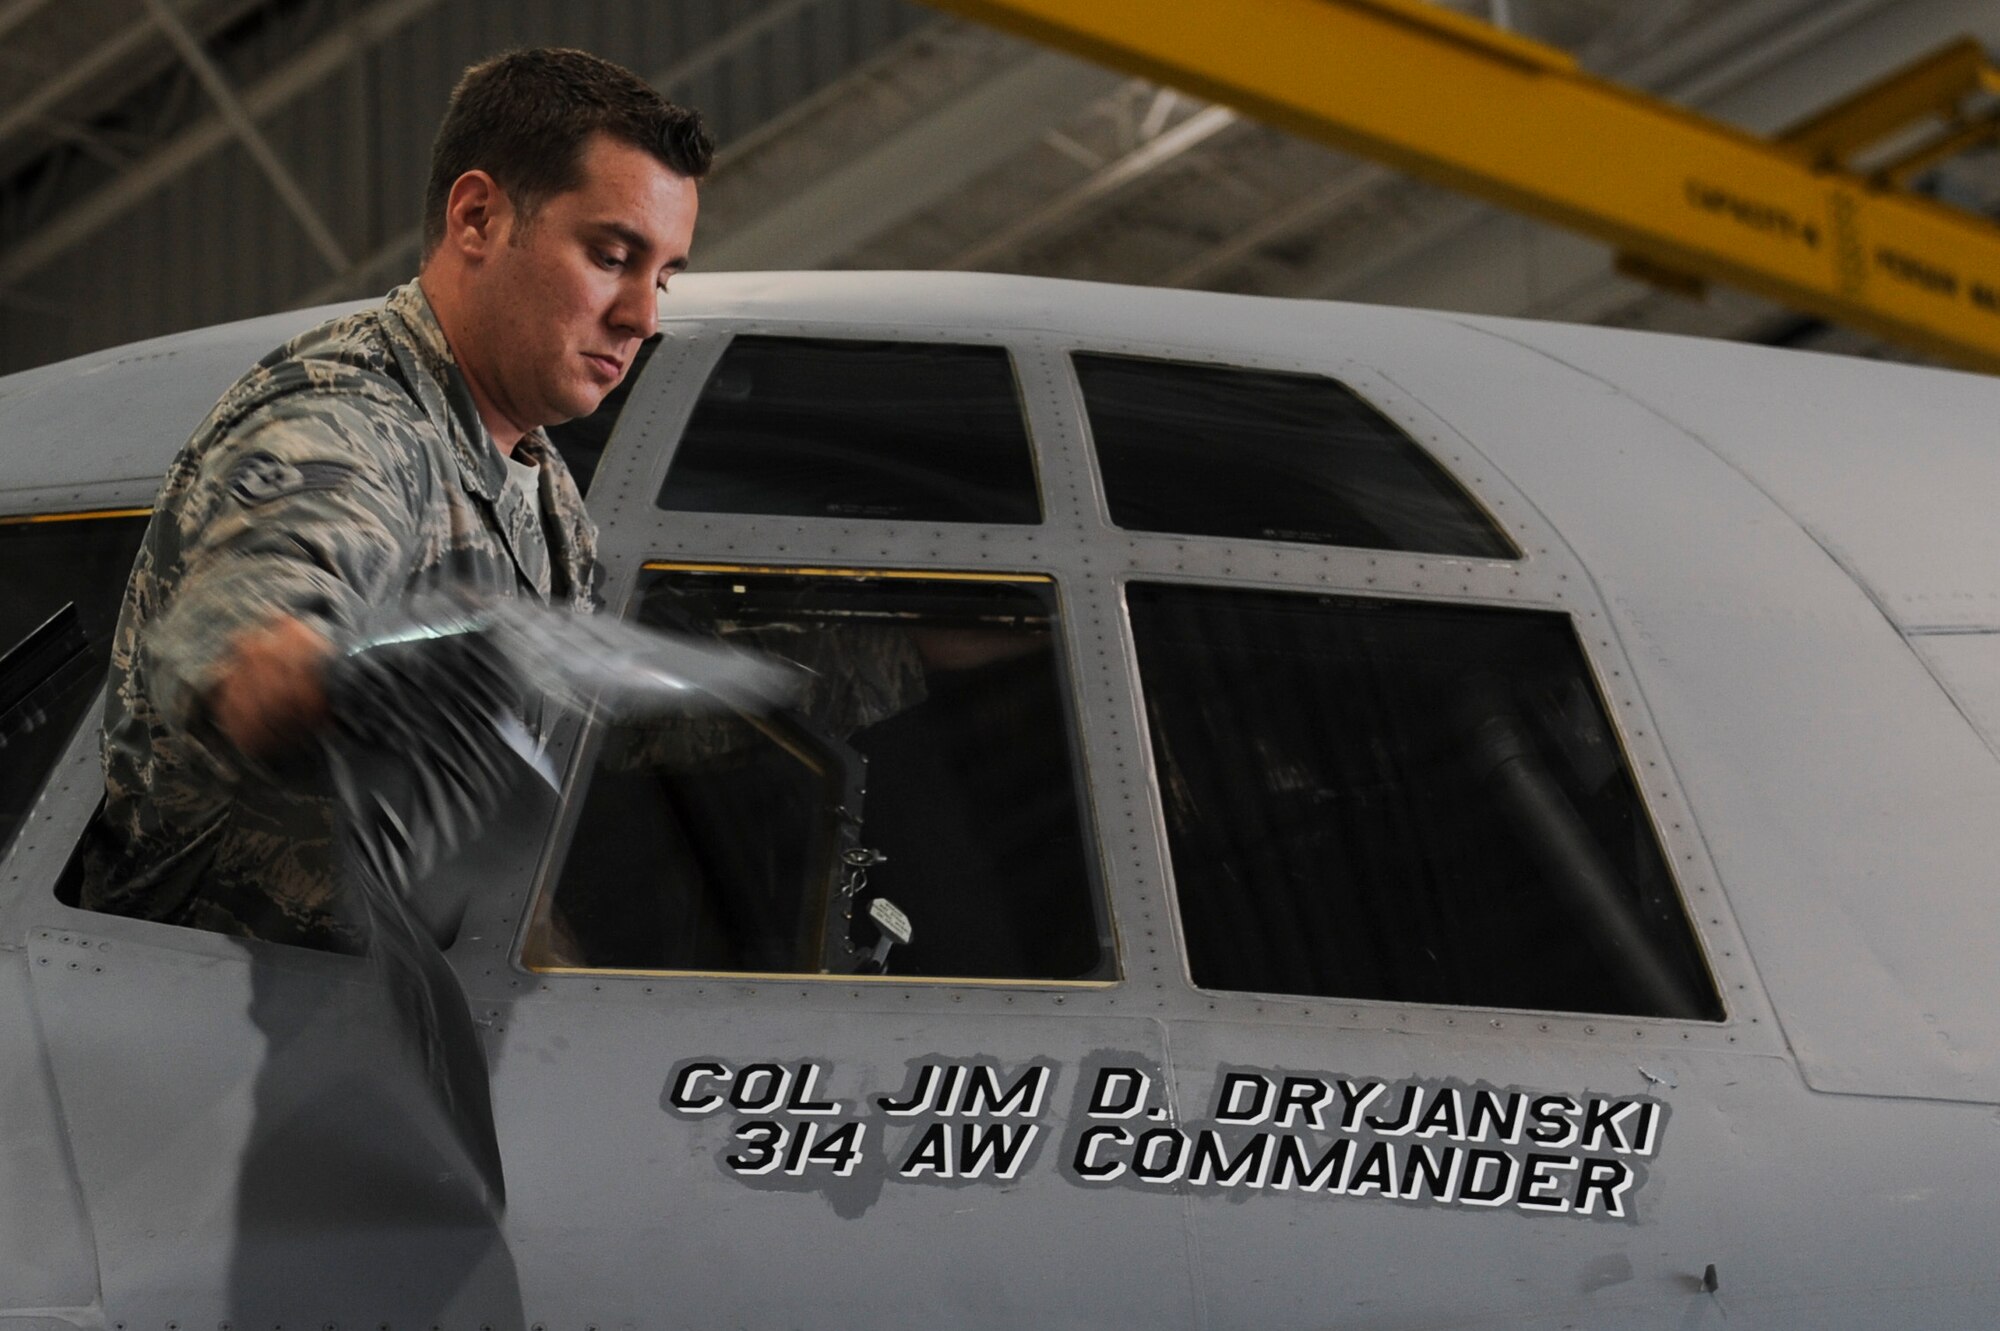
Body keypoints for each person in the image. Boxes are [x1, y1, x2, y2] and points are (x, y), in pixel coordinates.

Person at [79, 48, 712, 951]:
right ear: (478, 217)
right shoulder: (347, 420)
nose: (643, 316)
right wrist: (365, 687)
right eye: (613, 256)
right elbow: (250, 636)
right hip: (194, 1027)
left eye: (665, 276)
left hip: (368, 1017)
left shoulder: (550, 500)